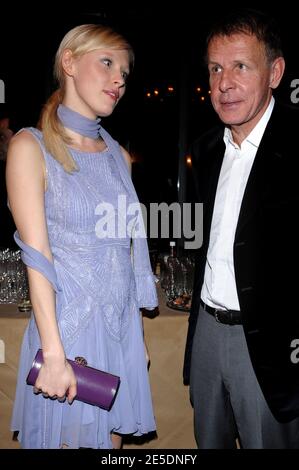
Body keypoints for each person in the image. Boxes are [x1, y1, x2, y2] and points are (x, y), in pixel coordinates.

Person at [6, 23, 158, 449]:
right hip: (66, 335)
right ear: (69, 62)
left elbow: (125, 257)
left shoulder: (118, 157)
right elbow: (37, 257)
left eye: (124, 73)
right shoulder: (29, 147)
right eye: (107, 63)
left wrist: (137, 340)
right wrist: (53, 354)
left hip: (117, 331)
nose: (119, 80)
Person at [183, 8, 299, 448]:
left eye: (240, 66)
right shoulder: (206, 149)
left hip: (272, 350)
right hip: (209, 334)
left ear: (275, 72)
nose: (223, 83)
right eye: (215, 68)